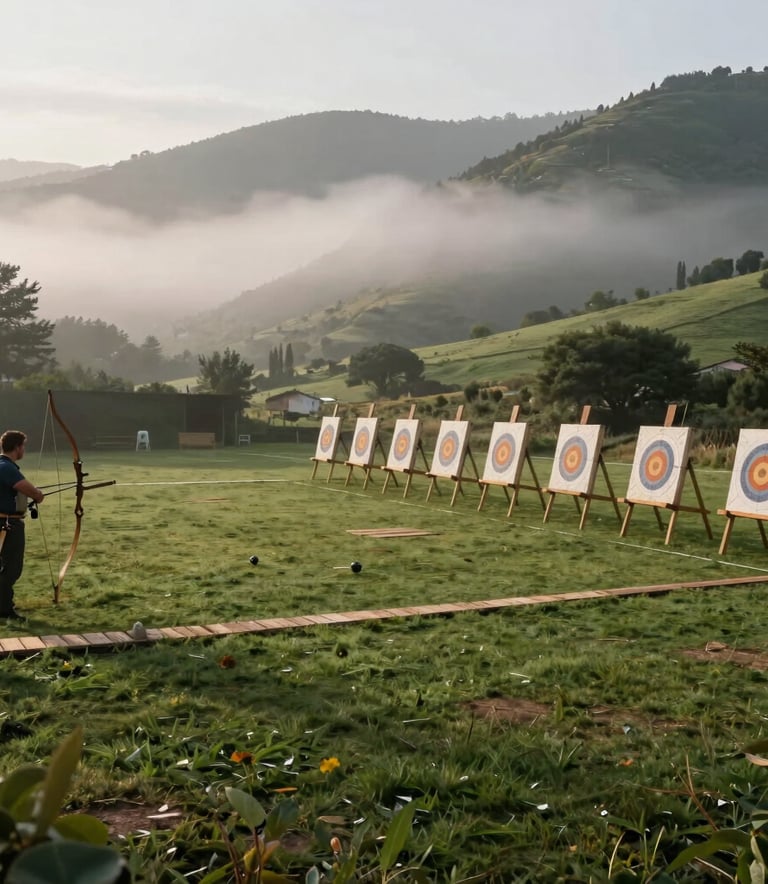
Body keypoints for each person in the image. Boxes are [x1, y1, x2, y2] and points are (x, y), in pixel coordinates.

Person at [0, 430, 44, 621]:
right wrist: (38, 494)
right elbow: (34, 493)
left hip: (4, 522)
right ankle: (4, 610)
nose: (23, 449)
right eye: (23, 446)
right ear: (17, 447)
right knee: (11, 568)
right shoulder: (7, 467)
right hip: (8, 524)